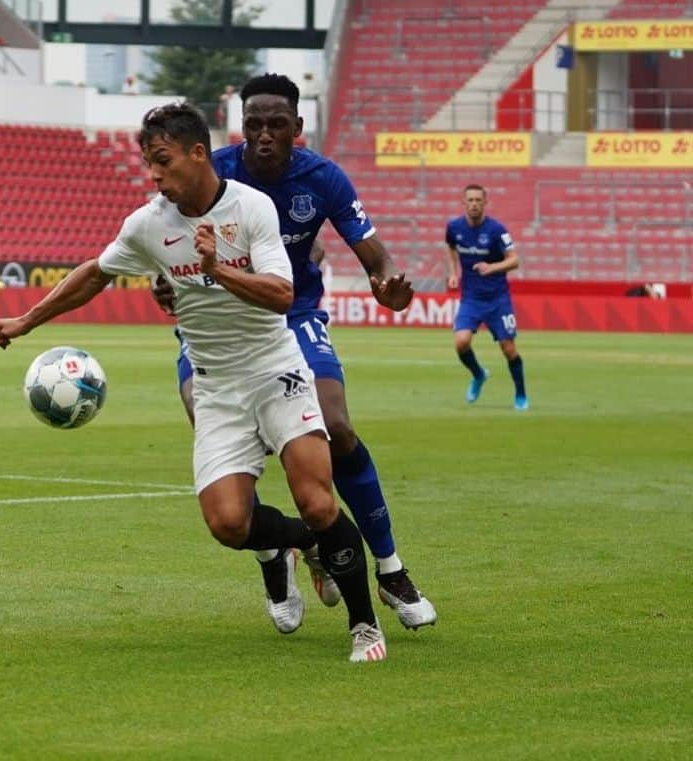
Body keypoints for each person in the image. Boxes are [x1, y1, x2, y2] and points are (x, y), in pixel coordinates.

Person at [0, 103, 388, 663]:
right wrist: (26, 320)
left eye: (162, 161)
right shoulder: (148, 224)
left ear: (197, 153)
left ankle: (365, 626)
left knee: (319, 501)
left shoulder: (252, 208)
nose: (154, 175)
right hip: (217, 387)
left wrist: (220, 268)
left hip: (277, 370)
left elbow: (281, 293)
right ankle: (300, 545)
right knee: (228, 523)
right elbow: (94, 274)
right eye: (149, 163)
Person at [154, 73, 436, 632]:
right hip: (217, 322)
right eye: (253, 123)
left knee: (338, 426)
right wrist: (166, 287)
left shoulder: (323, 178)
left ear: (296, 129)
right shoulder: (211, 174)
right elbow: (163, 249)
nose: (263, 134)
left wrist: (385, 282)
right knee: (212, 428)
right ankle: (274, 555)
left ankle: (390, 568)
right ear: (241, 127)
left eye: (276, 124)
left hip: (293, 313)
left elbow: (373, 254)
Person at [445, 184, 528, 410]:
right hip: (471, 299)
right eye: (470, 200)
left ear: (485, 203)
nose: (474, 204)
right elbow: (451, 248)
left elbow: (515, 260)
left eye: (478, 200)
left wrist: (492, 267)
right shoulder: (454, 228)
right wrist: (453, 273)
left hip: (497, 299)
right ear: (463, 202)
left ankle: (520, 394)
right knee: (461, 343)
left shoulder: (497, 230)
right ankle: (479, 374)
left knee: (508, 348)